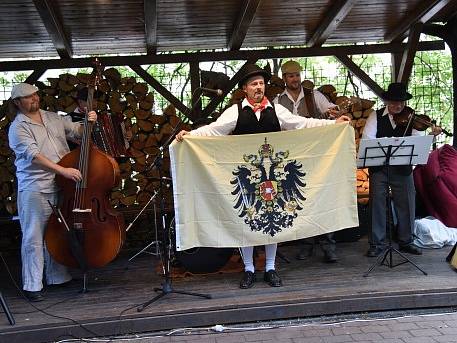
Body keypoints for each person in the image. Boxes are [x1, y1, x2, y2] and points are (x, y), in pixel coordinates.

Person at [175, 64, 350, 289]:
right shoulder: (235, 110)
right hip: (247, 175)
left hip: (272, 176)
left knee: (271, 219)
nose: (259, 87)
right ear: (245, 89)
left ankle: (270, 267)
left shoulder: (276, 109)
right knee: (247, 220)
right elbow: (214, 129)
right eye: (254, 84)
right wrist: (191, 135)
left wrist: (332, 124)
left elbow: (302, 124)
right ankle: (248, 268)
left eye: (261, 83)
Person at [8, 83, 97, 302]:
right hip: (35, 187)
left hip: (60, 185)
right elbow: (35, 156)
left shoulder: (52, 117)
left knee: (56, 233)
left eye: (35, 94)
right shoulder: (18, 127)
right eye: (28, 97)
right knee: (33, 237)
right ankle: (32, 285)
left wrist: (89, 121)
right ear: (17, 103)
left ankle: (58, 277)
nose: (34, 99)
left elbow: (77, 133)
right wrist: (63, 170)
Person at [361, 82, 441, 257]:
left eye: (401, 102)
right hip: (379, 167)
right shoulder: (375, 116)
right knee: (377, 203)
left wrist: (430, 136)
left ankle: (407, 240)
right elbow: (367, 139)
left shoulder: (412, 118)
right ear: (387, 101)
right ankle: (377, 243)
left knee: (406, 202)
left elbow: (417, 142)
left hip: (402, 167)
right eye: (394, 102)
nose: (398, 106)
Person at [274, 60, 339, 263]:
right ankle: (306, 244)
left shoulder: (314, 95)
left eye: (297, 75)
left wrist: (333, 111)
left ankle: (328, 246)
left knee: (323, 197)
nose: (295, 79)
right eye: (290, 75)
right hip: (292, 158)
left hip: (316, 156)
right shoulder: (277, 101)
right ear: (284, 78)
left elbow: (331, 109)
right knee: (301, 200)